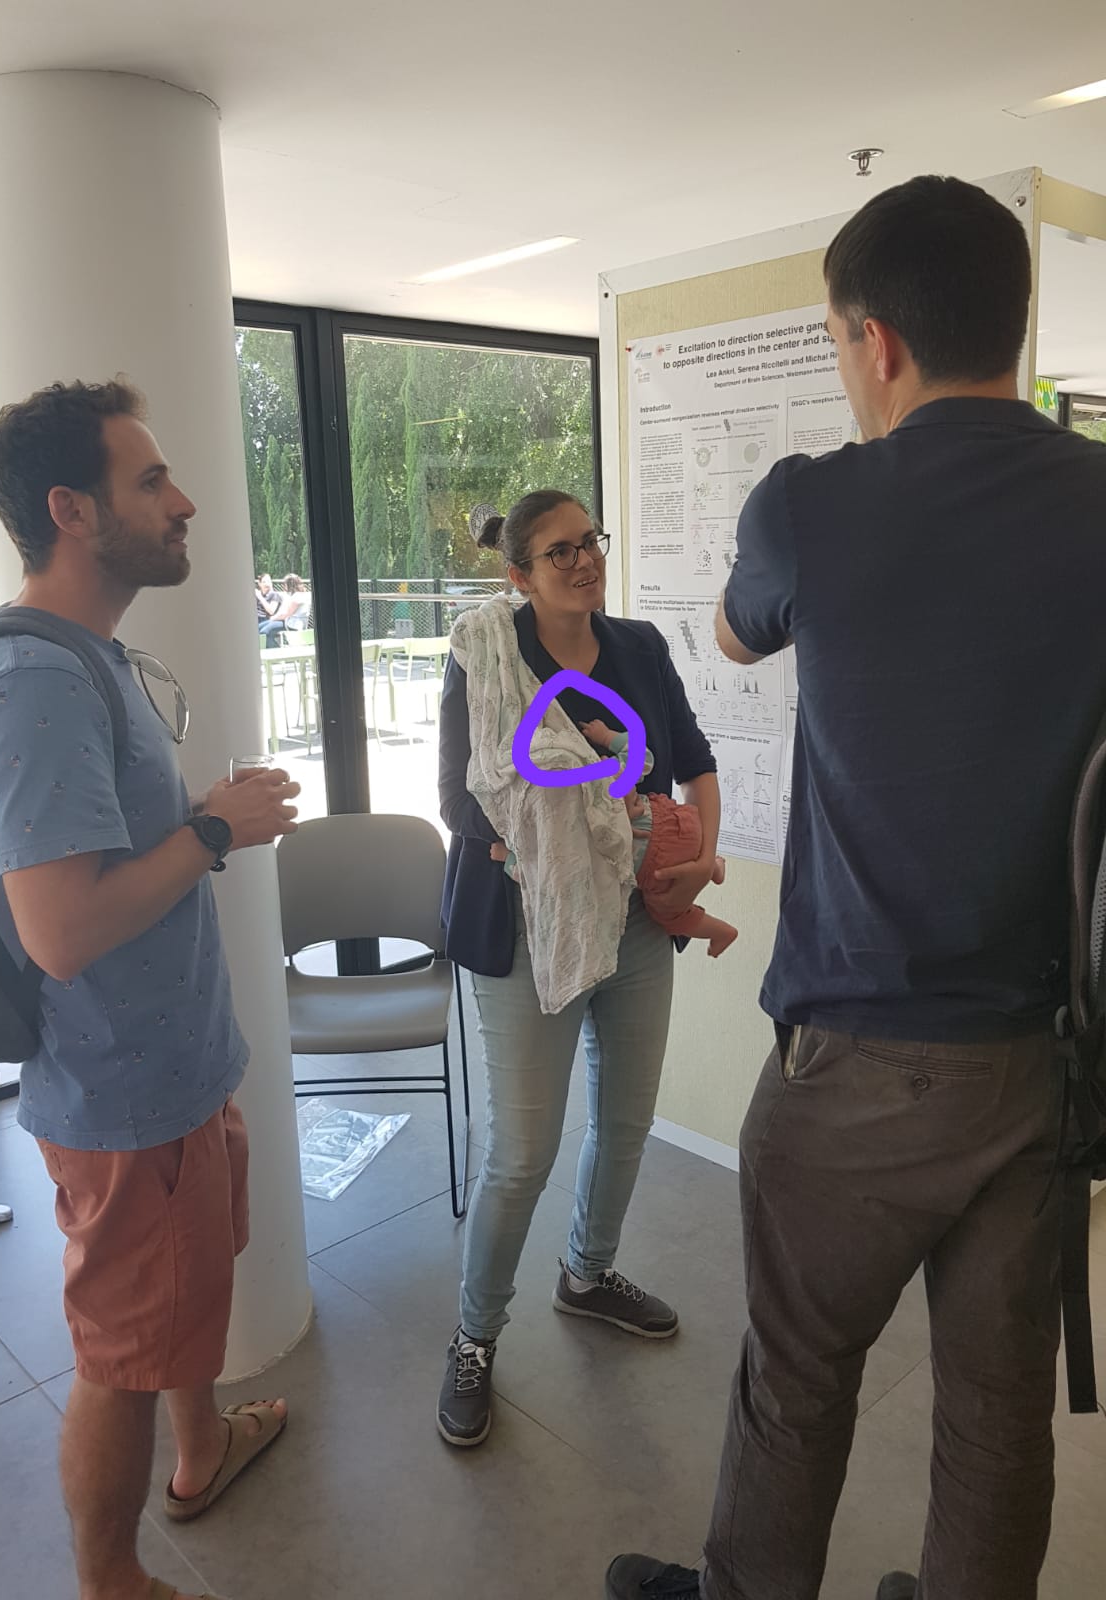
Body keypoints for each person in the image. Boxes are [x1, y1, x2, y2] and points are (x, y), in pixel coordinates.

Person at [606, 176, 1106, 1600]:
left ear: (875, 340)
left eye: (836, 341)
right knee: (997, 1420)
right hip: (1044, 1056)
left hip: (859, 1058)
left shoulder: (813, 505)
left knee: (798, 1382)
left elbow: (732, 636)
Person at [0, 380, 301, 1600]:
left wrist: (200, 816)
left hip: (170, 1070)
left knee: (180, 1301)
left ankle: (202, 1454)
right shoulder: (33, 681)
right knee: (121, 1353)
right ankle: (111, 1578)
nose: (183, 499)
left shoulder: (79, 659)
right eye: (150, 480)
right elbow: (61, 931)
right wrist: (214, 828)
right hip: (123, 1093)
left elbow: (101, 857)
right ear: (72, 511)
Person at [436, 491, 722, 1448]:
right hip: (529, 924)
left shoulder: (639, 648)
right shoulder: (484, 655)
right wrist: (586, 816)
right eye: (560, 552)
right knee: (522, 1154)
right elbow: (463, 802)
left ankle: (587, 1274)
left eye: (590, 541)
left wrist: (695, 855)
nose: (584, 561)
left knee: (626, 1123)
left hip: (635, 919)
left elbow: (693, 762)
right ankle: (475, 1336)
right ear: (518, 574)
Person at [493, 716, 737, 956]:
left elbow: (540, 871)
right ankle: (712, 866)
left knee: (669, 915)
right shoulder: (608, 776)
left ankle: (721, 931)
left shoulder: (565, 831)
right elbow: (642, 756)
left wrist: (507, 857)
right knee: (686, 868)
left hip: (655, 865)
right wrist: (607, 737)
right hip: (681, 827)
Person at [255, 571, 286, 647]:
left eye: (269, 581)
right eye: (264, 582)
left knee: (263, 633)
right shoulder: (257, 594)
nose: (267, 584)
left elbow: (271, 611)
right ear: (259, 584)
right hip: (257, 619)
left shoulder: (274, 595)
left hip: (267, 620)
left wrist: (260, 597)